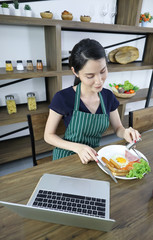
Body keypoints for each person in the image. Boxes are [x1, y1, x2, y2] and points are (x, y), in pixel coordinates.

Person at [44, 38, 140, 164]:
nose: (99, 81)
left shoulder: (108, 96)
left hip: (94, 156)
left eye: (103, 71)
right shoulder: (63, 97)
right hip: (67, 156)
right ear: (75, 72)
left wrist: (126, 132)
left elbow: (118, 128)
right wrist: (78, 148)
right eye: (90, 76)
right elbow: (48, 136)